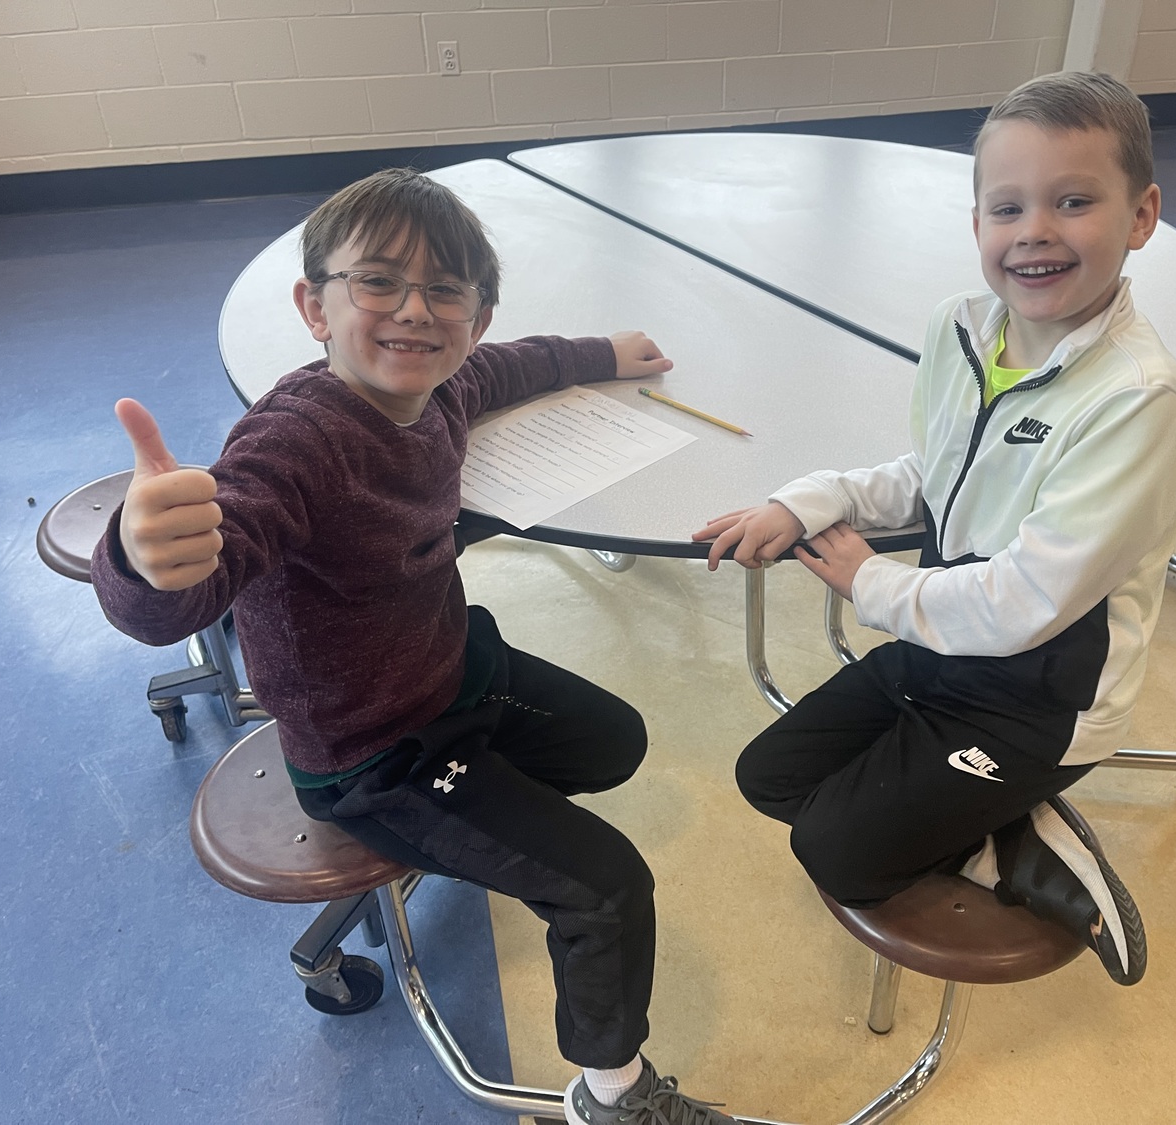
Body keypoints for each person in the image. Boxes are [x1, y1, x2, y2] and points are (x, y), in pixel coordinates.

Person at [93, 168, 739, 1125]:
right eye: (378, 282)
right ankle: (618, 1096)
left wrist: (599, 349)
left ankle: (486, 828)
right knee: (605, 886)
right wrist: (146, 561)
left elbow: (501, 370)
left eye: (446, 292)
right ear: (314, 306)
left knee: (616, 740)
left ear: (473, 318)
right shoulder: (298, 442)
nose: (413, 311)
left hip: (451, 669)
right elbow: (193, 586)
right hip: (375, 752)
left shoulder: (435, 388)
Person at [694, 72, 1176, 987]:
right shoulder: (965, 329)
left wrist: (870, 585)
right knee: (768, 776)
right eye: (1007, 207)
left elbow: (1029, 601)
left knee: (834, 851)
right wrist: (806, 502)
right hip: (949, 650)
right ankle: (1006, 824)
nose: (1035, 231)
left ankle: (1030, 826)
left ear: (1141, 215)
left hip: (1038, 697)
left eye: (1074, 201)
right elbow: (932, 475)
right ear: (977, 225)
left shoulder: (1140, 400)